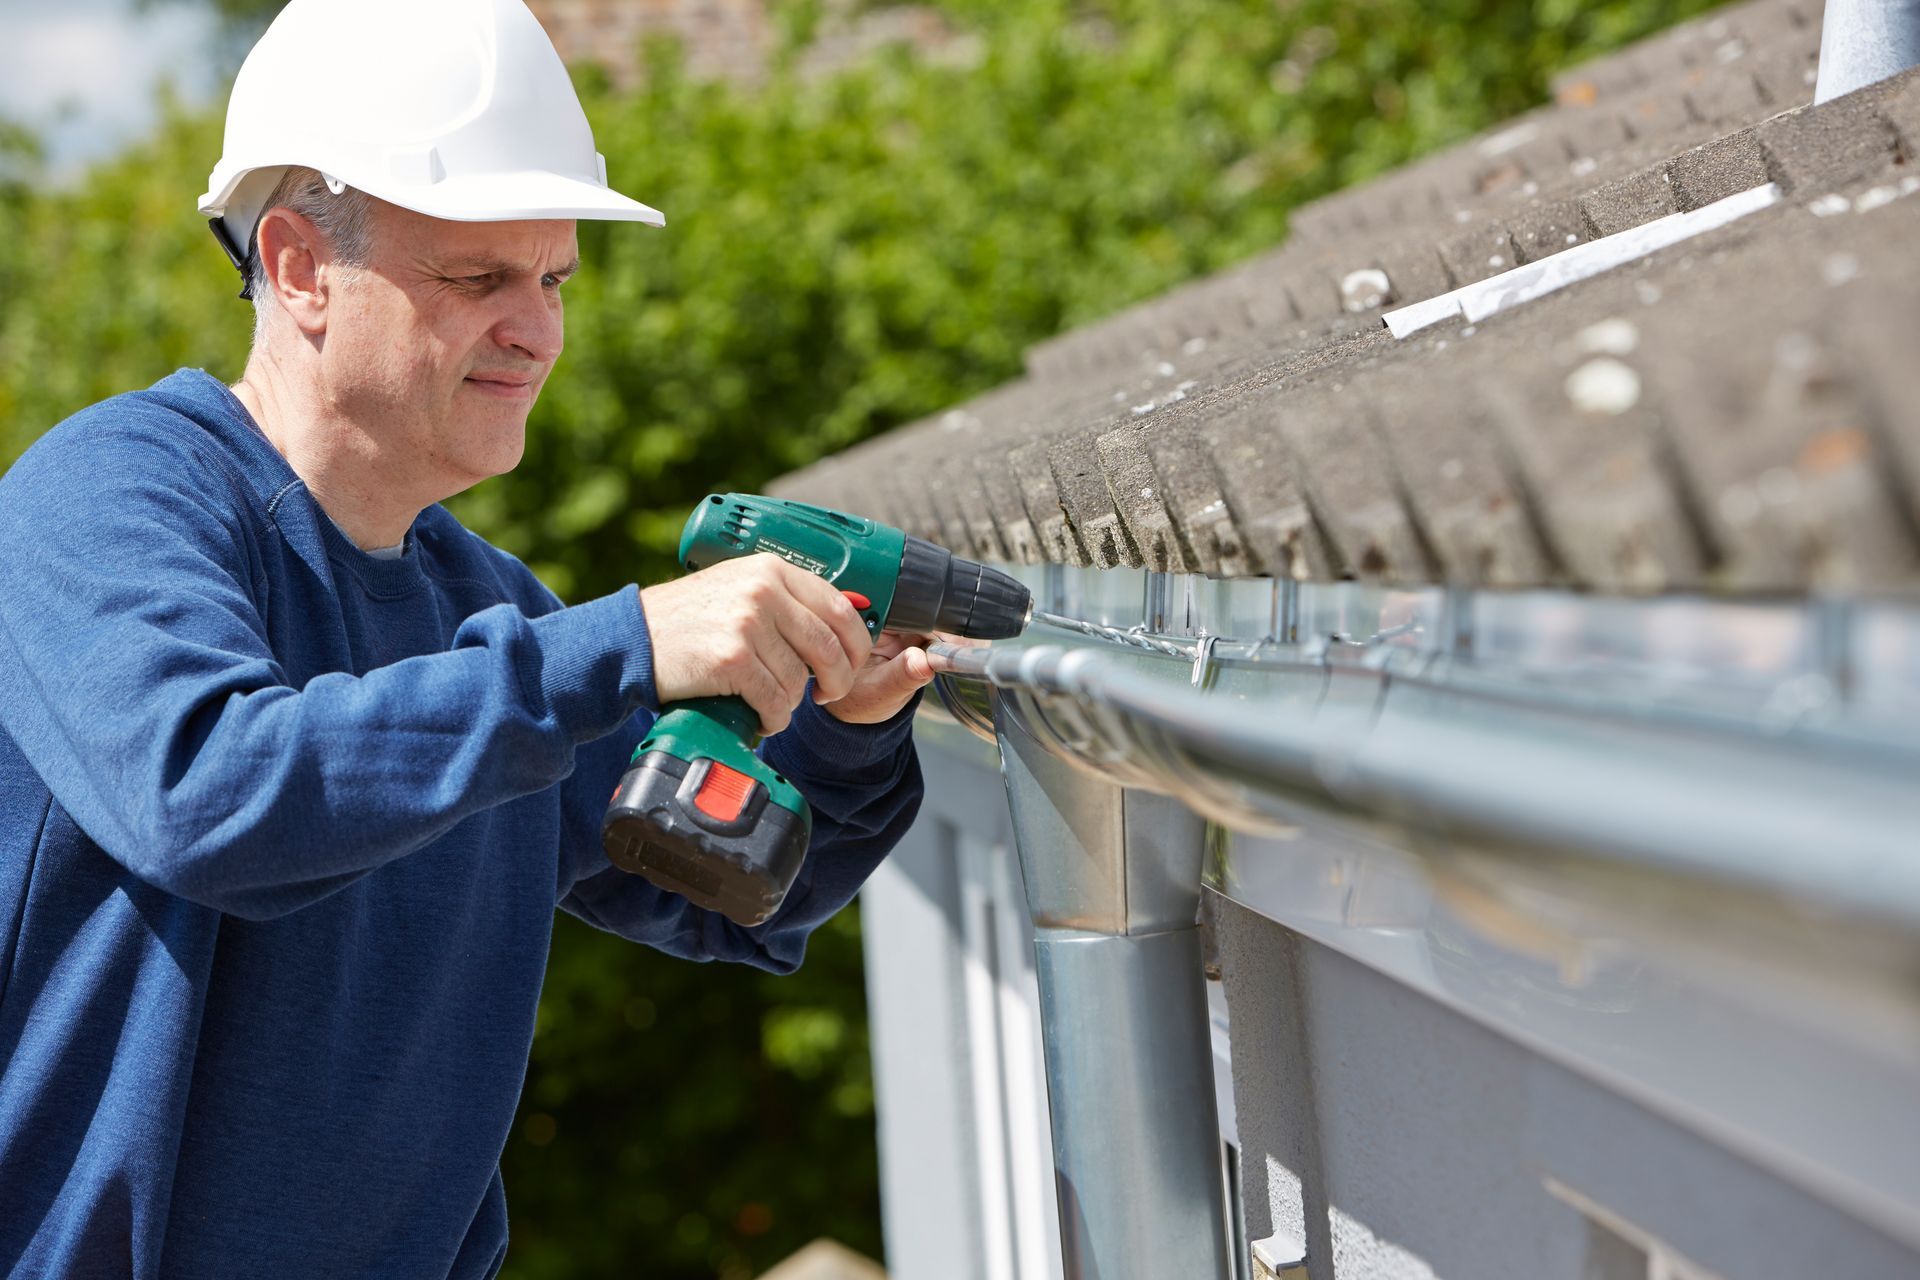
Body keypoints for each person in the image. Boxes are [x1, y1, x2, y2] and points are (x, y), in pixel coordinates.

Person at [0, 0, 941, 1274]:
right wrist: (621, 647)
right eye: (477, 276)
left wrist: (851, 731)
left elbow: (724, 889)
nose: (538, 328)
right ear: (295, 266)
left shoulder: (486, 605)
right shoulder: (108, 495)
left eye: (551, 277)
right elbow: (209, 793)